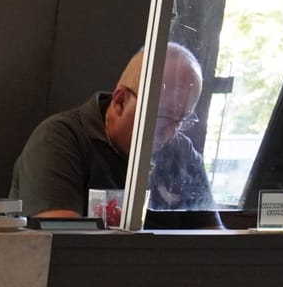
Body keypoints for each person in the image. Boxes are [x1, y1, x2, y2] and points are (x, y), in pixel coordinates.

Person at [13, 44, 214, 217]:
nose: (170, 132)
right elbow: (60, 240)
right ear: (120, 101)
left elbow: (212, 235)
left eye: (182, 120)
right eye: (162, 116)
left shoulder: (181, 152)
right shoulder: (59, 139)